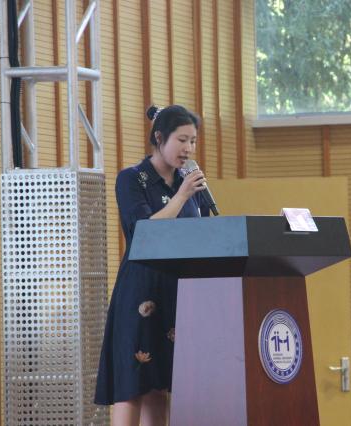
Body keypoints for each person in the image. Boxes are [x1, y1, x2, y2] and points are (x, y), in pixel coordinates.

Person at [95, 104, 210, 426]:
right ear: (159, 138)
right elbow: (144, 231)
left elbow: (201, 233)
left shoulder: (188, 182)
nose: (188, 149)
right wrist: (181, 196)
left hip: (177, 290)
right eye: (181, 140)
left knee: (160, 385)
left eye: (193, 141)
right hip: (141, 290)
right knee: (132, 383)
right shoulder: (132, 179)